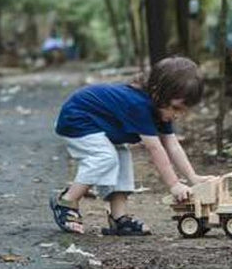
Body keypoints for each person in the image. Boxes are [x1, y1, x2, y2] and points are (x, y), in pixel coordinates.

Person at [49, 56, 208, 236]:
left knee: (122, 156)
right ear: (157, 93)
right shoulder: (139, 105)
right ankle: (67, 201)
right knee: (105, 157)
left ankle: (119, 218)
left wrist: (192, 177)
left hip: (100, 125)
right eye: (176, 108)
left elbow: (172, 145)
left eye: (184, 110)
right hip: (78, 118)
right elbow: (155, 149)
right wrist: (174, 185)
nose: (178, 115)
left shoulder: (161, 108)